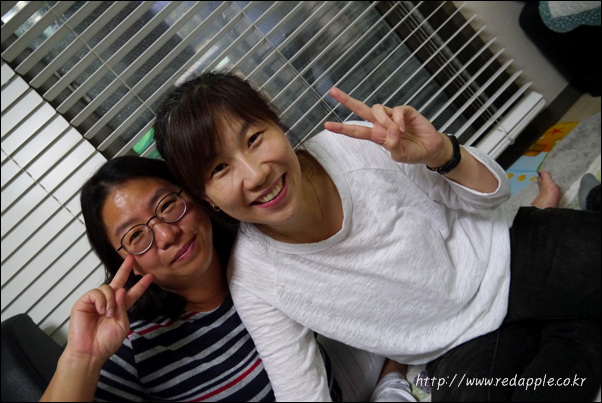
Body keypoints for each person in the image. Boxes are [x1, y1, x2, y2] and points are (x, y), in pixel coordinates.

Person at [153, 71, 601, 402]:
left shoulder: (356, 146)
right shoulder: (254, 278)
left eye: (254, 139)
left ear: (277, 124)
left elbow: (493, 196)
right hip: (455, 345)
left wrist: (443, 153)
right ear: (205, 197)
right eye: (220, 168)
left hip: (507, 254)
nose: (255, 175)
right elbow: (301, 392)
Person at [40, 156, 415, 402]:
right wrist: (82, 358)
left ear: (196, 197)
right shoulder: (131, 344)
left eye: (167, 205)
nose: (167, 234)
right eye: (136, 235)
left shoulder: (267, 252)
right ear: (127, 263)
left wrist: (394, 378)